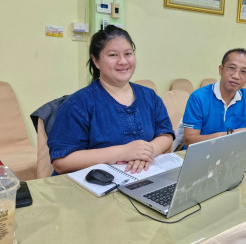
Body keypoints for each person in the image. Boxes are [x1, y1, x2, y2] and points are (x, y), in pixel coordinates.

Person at [48, 25, 174, 175]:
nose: (123, 61)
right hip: (94, 187)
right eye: (113, 55)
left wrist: (146, 152)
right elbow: (62, 161)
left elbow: (166, 134)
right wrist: (123, 152)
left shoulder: (149, 96)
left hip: (141, 179)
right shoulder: (78, 104)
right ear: (96, 61)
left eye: (128, 53)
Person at [183, 48, 246, 147]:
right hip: (201, 153)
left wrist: (234, 133)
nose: (236, 76)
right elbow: (190, 139)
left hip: (233, 152)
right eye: (232, 68)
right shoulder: (198, 97)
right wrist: (224, 136)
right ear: (221, 70)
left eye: (243, 72)